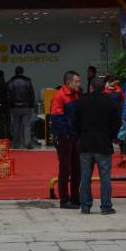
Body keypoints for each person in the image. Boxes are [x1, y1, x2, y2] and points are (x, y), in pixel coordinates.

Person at [73, 76, 121, 215]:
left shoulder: (81, 101)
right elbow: (116, 122)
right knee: (105, 177)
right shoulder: (110, 102)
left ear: (91, 87)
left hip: (85, 143)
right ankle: (106, 206)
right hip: (103, 144)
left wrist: (79, 136)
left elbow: (75, 122)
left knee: (85, 177)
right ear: (104, 88)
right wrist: (112, 136)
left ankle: (85, 206)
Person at [51, 70, 81, 209]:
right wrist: (66, 135)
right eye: (76, 81)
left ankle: (75, 197)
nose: (79, 84)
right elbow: (57, 119)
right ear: (68, 82)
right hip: (65, 138)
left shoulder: (76, 94)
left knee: (77, 168)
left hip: (74, 136)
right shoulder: (60, 96)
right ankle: (64, 199)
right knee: (65, 168)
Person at [7, 66, 35, 149]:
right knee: (27, 125)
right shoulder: (28, 81)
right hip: (26, 107)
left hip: (14, 108)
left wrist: (10, 106)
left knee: (16, 126)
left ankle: (16, 144)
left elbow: (8, 96)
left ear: (15, 72)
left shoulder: (11, 82)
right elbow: (31, 94)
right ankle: (27, 143)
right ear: (23, 72)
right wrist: (32, 105)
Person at [103, 75, 126, 167]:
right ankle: (123, 156)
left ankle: (107, 158)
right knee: (121, 137)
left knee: (107, 137)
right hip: (118, 116)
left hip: (108, 118)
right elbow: (123, 100)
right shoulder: (119, 90)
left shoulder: (105, 91)